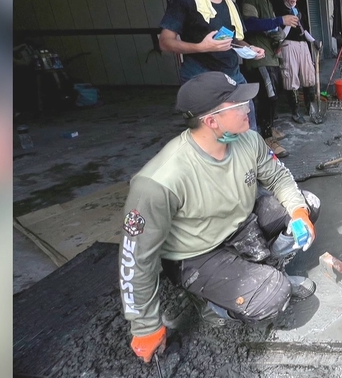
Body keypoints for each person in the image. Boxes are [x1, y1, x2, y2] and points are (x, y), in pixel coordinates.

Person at [119, 72, 320, 364]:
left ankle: (266, 268)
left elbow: (279, 178)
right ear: (211, 121)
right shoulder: (159, 181)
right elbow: (136, 258)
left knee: (308, 205)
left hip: (240, 224)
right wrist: (145, 326)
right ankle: (212, 304)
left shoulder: (248, 140)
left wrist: (298, 213)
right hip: (197, 255)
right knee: (274, 295)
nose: (248, 108)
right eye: (238, 104)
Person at [236, 0, 299, 157]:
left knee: (273, 94)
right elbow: (250, 24)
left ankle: (269, 128)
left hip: (269, 54)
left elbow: (267, 24)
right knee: (267, 97)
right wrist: (281, 20)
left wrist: (277, 37)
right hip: (258, 57)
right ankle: (266, 138)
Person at [273, 0, 320, 124]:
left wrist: (313, 40)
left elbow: (303, 30)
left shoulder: (298, 11)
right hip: (288, 45)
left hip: (302, 45)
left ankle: (310, 109)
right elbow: (279, 35)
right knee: (291, 77)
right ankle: (295, 111)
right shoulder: (279, 10)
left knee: (308, 76)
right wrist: (288, 22)